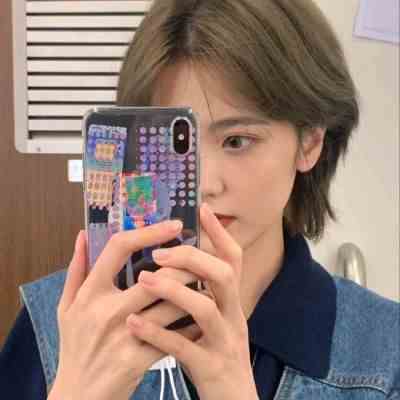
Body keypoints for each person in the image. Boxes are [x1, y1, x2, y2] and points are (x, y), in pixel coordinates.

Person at [1, 0, 399, 399]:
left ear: (310, 142)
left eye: (237, 141)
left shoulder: (385, 352)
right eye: (174, 145)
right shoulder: (56, 325)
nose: (202, 184)